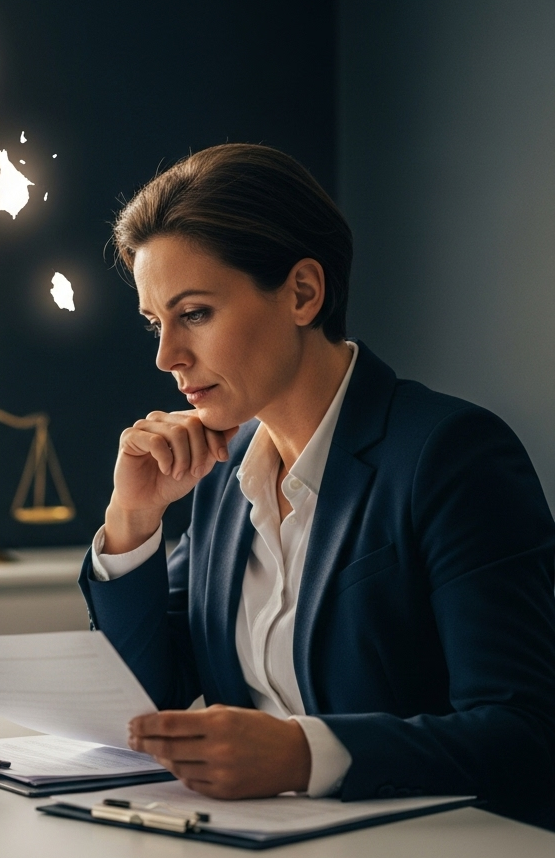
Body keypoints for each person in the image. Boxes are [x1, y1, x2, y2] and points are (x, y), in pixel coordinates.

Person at [79, 143, 555, 819]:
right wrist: (132, 521)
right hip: (258, 852)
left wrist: (305, 755)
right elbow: (145, 699)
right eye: (157, 323)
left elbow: (524, 734)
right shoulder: (224, 476)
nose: (167, 357)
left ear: (303, 292)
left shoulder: (450, 456)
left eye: (195, 314)